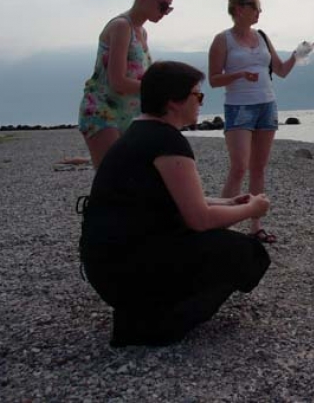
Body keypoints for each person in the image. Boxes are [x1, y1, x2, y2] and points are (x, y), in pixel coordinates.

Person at [79, 61, 272, 347]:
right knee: (247, 253)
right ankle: (159, 321)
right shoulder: (167, 141)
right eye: (197, 95)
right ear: (173, 101)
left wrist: (230, 202)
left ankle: (143, 311)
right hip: (129, 270)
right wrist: (252, 210)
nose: (201, 103)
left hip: (108, 268)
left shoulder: (139, 132)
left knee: (214, 242)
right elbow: (200, 219)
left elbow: (167, 198)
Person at [208, 0, 299, 243]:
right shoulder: (222, 40)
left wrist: (297, 55)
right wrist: (239, 75)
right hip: (239, 107)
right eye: (256, 7)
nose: (259, 12)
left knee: (258, 168)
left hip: (266, 105)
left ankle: (255, 226)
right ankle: (220, 225)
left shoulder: (262, 37)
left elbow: (280, 70)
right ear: (239, 9)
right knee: (239, 167)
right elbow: (213, 79)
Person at [78, 0, 174, 168]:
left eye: (169, 8)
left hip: (129, 114)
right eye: (163, 6)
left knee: (128, 176)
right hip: (103, 112)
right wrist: (160, 89)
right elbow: (118, 81)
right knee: (111, 175)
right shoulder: (121, 26)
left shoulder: (142, 33)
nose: (165, 13)